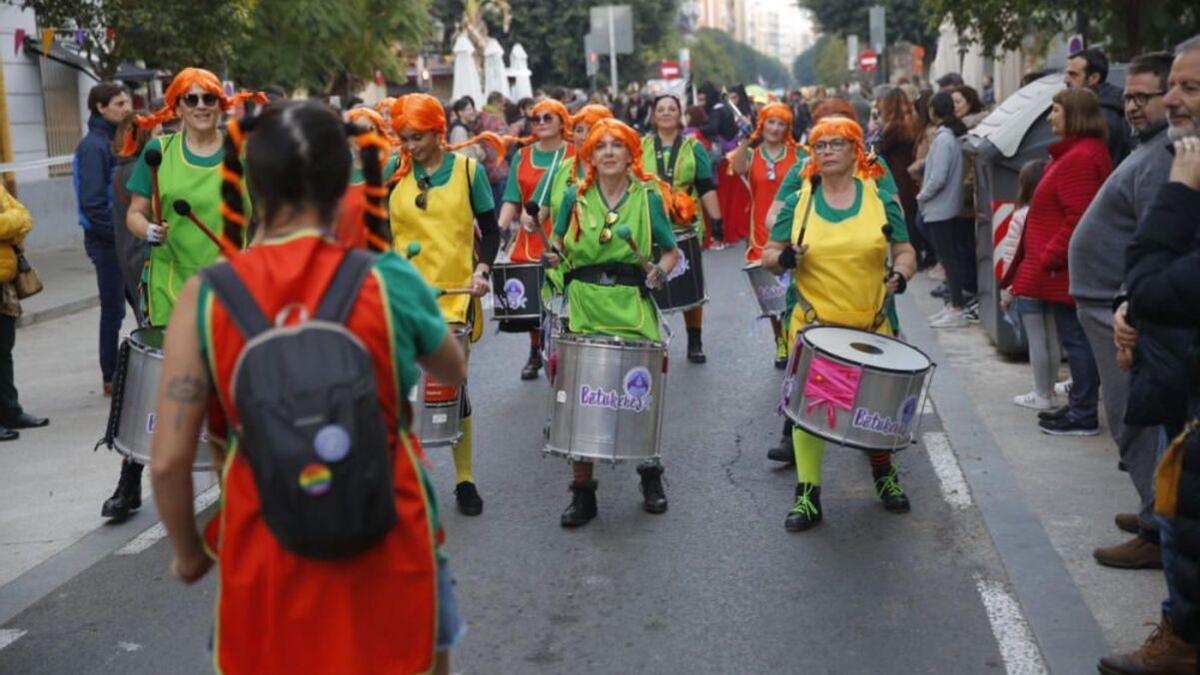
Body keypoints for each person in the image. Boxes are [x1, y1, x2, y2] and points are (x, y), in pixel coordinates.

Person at [149, 99, 468, 675]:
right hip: (391, 538)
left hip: (264, 551)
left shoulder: (206, 295)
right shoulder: (385, 276)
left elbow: (170, 462)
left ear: (253, 182)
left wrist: (190, 556)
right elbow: (453, 370)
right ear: (340, 180)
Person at [105, 68, 263, 522]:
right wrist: (148, 229)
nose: (200, 107)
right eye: (190, 100)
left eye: (208, 99)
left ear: (221, 104)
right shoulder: (159, 152)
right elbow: (136, 212)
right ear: (175, 107)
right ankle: (130, 480)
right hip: (170, 283)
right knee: (154, 383)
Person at [1099, 36, 1200, 674]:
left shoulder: (1184, 168)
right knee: (1182, 509)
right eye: (1173, 88)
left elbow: (1161, 276)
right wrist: (1134, 308)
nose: (1169, 100)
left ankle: (1183, 640)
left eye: (1189, 89)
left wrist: (1183, 186)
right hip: (1178, 372)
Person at [761, 117, 917, 531]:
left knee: (874, 411)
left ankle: (884, 475)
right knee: (811, 410)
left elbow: (904, 251)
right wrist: (785, 258)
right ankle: (808, 495)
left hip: (871, 322)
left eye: (836, 144)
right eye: (819, 145)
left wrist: (901, 275)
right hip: (815, 327)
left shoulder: (880, 198)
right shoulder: (800, 202)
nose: (826, 151)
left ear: (855, 152)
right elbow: (768, 253)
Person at [543, 118, 683, 526]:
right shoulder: (573, 197)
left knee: (639, 393)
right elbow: (556, 242)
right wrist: (552, 255)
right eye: (599, 146)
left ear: (629, 155)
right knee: (582, 397)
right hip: (584, 304)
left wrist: (659, 269)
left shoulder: (648, 198)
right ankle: (583, 493)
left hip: (631, 306)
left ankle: (650, 474)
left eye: (615, 146)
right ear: (590, 156)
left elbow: (671, 251)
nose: (607, 152)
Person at [1069, 51, 1176, 571]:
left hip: (1121, 311)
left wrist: (1128, 305)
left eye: (1144, 97)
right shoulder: (1150, 148)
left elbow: (1154, 243)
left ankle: (1159, 529)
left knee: (1133, 417)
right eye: (1128, 96)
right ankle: (1153, 508)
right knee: (1130, 416)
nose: (1132, 106)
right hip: (1105, 302)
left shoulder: (1163, 157)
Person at [388, 93, 503, 516]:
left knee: (452, 388)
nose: (410, 146)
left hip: (454, 299)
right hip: (402, 299)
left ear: (438, 132)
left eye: (417, 137)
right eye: (403, 138)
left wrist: (483, 271)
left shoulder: (469, 172)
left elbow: (490, 232)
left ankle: (464, 478)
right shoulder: (392, 171)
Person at [1008, 87, 1112, 437]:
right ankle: (1079, 407)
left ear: (1075, 115)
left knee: (1078, 341)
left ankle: (1083, 414)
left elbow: (1078, 216)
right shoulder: (1077, 152)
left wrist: (1050, 255)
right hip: (1061, 266)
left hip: (1063, 267)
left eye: (1055, 110)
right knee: (1075, 339)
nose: (1050, 116)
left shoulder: (1080, 157)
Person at [641, 94, 723, 363]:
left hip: (686, 223)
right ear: (653, 115)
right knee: (648, 284)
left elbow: (705, 186)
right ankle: (651, 340)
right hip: (651, 224)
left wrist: (717, 221)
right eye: (661, 109)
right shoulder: (640, 147)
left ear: (680, 114)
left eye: (672, 109)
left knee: (691, 285)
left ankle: (695, 340)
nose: (666, 113)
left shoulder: (693, 147)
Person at [498, 99, 574, 380]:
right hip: (530, 239)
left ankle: (564, 350)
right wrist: (498, 229)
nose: (540, 122)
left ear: (562, 121)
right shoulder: (522, 155)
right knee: (534, 300)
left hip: (563, 235)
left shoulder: (574, 153)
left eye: (547, 117)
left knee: (562, 297)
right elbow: (511, 198)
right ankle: (535, 350)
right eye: (535, 118)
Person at [729, 102, 803, 368]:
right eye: (770, 122)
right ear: (763, 125)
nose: (775, 128)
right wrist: (746, 141)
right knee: (772, 294)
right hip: (760, 231)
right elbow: (737, 169)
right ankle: (780, 341)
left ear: (787, 128)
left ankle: (797, 339)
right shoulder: (752, 154)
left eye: (781, 124)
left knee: (795, 291)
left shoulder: (799, 156)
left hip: (792, 230)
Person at [74, 82, 132, 396]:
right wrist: (121, 236)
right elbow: (93, 203)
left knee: (141, 304)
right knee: (113, 309)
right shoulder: (93, 146)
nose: (127, 108)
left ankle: (148, 366)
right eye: (120, 103)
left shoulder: (116, 140)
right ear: (100, 107)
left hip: (124, 238)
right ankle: (109, 376)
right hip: (107, 242)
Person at [1000, 160, 1055, 408]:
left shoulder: (1021, 215)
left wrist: (1007, 290)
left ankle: (1041, 394)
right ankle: (1051, 389)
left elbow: (1011, 254)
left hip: (1028, 282)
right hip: (1052, 280)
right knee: (1053, 338)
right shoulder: (1054, 211)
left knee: (1036, 339)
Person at [919, 92, 972, 328]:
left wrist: (922, 195)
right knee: (949, 258)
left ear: (933, 111)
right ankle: (953, 304)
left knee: (948, 259)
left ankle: (956, 307)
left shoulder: (943, 140)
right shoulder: (948, 137)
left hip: (940, 207)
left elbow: (938, 177)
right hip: (945, 206)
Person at [0, 182, 45, 442]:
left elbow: (24, 216)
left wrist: (11, 225)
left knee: (4, 349)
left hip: (5, 279)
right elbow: (15, 221)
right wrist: (12, 225)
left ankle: (11, 412)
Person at [875, 88, 926, 270]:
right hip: (908, 172)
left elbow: (881, 149)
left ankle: (912, 255)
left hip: (897, 173)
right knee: (911, 213)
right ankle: (918, 254)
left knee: (905, 215)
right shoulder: (912, 122)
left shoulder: (894, 127)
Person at [1065, 48, 1133, 166]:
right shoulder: (1106, 106)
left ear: (1094, 78)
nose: (1066, 80)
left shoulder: (1100, 116)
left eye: (1073, 75)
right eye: (1067, 74)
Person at [479, 91, 512, 207]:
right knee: (502, 206)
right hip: (499, 167)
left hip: (486, 168)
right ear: (495, 102)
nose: (503, 108)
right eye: (502, 104)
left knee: (492, 205)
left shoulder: (480, 116)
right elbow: (507, 140)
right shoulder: (497, 119)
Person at [448, 96, 486, 162]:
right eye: (469, 109)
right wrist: (477, 150)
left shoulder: (467, 129)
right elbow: (463, 157)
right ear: (460, 113)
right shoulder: (459, 131)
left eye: (472, 109)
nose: (472, 112)